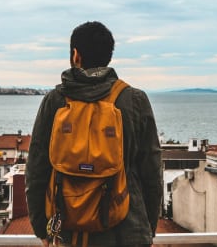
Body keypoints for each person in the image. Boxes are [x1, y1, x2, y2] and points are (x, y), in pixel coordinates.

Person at [26, 21, 162, 247]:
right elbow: (152, 172)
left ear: (75, 55)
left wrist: (42, 229)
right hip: (127, 230)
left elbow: (36, 169)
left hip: (68, 231)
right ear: (109, 56)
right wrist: (148, 227)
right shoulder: (134, 100)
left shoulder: (55, 101)